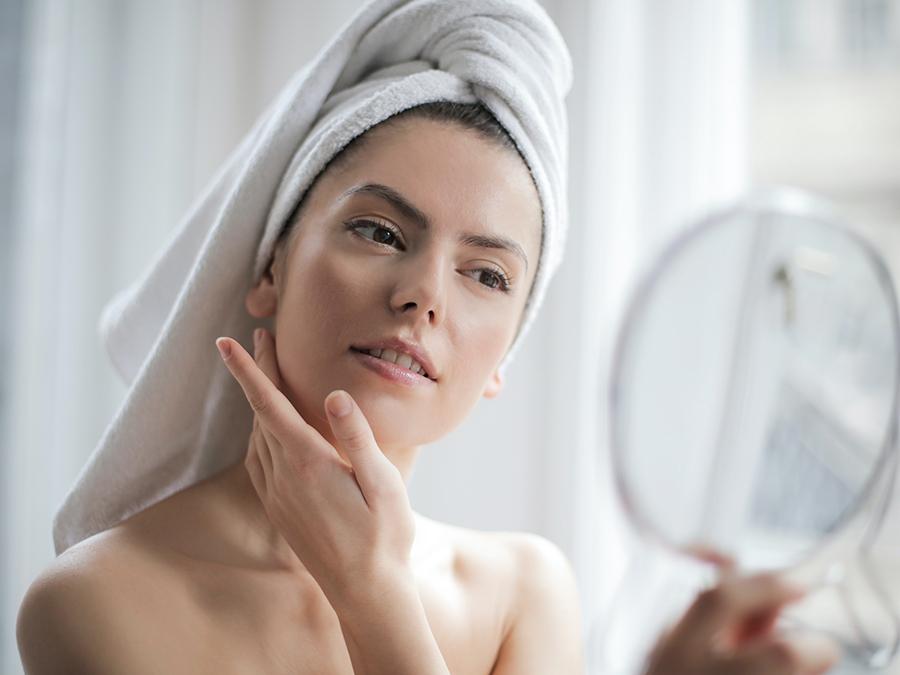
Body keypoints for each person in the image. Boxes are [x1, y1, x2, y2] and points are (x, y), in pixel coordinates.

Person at [16, 1, 840, 673]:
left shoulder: (525, 593)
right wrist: (371, 593)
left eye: (486, 275)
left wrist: (372, 592)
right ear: (267, 267)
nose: (421, 297)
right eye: (378, 231)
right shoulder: (96, 601)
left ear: (503, 357)